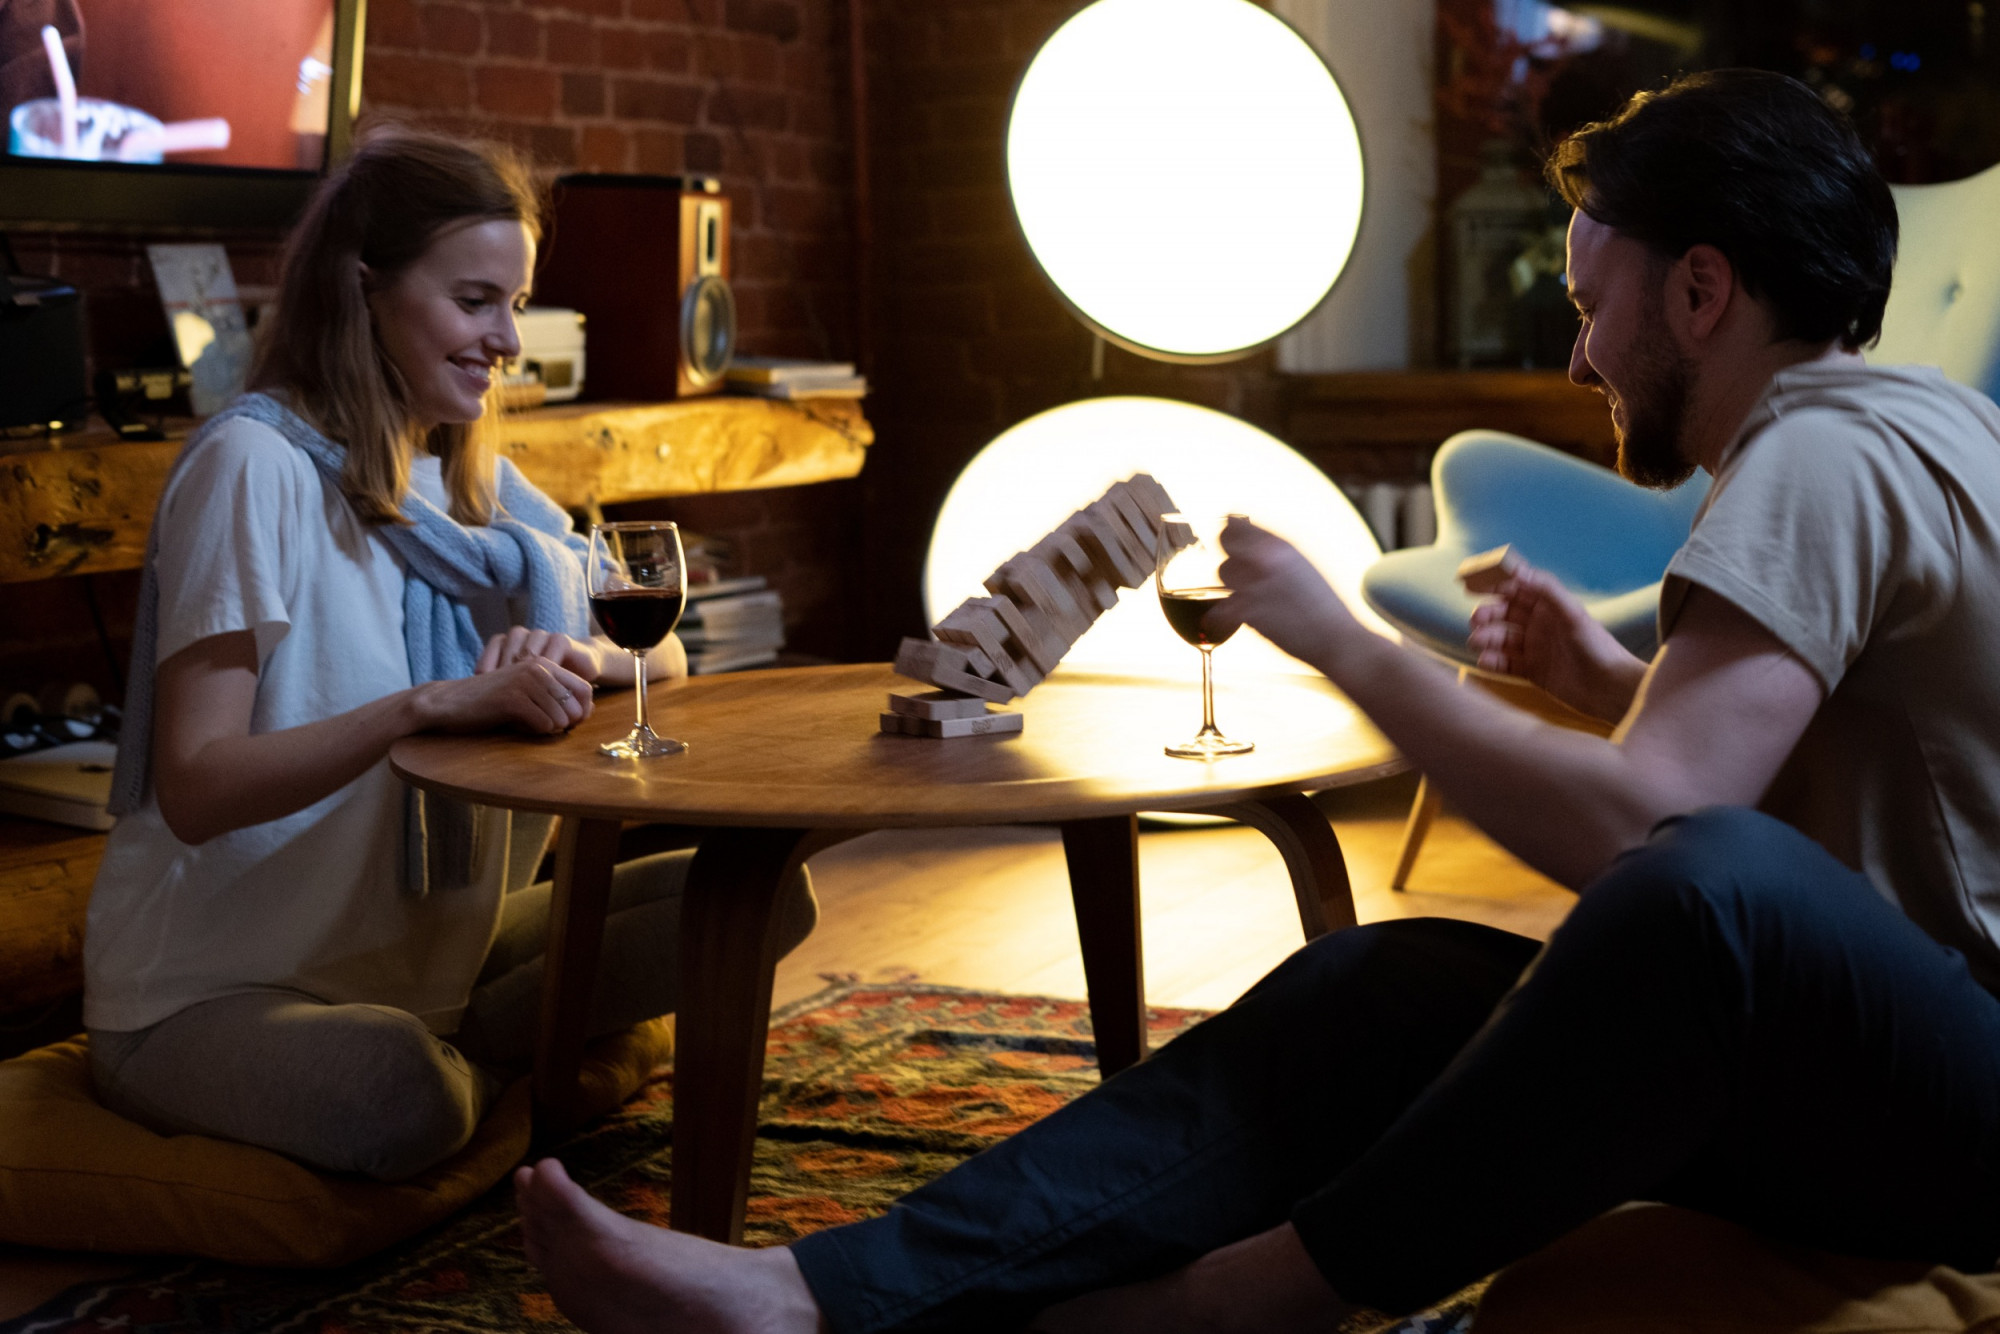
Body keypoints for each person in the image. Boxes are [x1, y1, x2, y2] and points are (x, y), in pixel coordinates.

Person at [513, 68, 2000, 1333]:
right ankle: (817, 1294)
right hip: (1893, 1056)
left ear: (1701, 287)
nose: (1579, 355)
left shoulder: (1821, 456)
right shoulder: (1919, 424)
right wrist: (1606, 679)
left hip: (1959, 1108)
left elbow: (1664, 834)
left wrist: (1349, 643)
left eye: (1592, 305)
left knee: (1693, 892)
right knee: (1381, 988)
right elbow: (1847, 789)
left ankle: (1250, 1303)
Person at [82, 127, 816, 1182]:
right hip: (208, 992)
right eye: (476, 301)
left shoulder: (473, 491)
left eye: (513, 304)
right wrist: (427, 704)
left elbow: (668, 663)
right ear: (361, 290)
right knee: (400, 1096)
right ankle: (508, 1061)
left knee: (760, 898)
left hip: (419, 959)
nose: (506, 339)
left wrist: (564, 652)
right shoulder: (253, 467)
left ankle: (483, 1039)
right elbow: (197, 785)